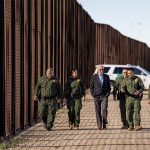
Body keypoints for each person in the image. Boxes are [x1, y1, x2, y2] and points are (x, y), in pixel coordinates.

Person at [90, 65, 111, 130]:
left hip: (104, 96)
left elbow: (109, 87)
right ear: (98, 70)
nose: (101, 71)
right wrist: (93, 95)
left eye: (102, 69)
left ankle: (104, 123)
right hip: (97, 96)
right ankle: (99, 125)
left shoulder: (106, 77)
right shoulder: (94, 77)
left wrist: (107, 94)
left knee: (104, 109)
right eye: (100, 69)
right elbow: (91, 87)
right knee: (98, 110)